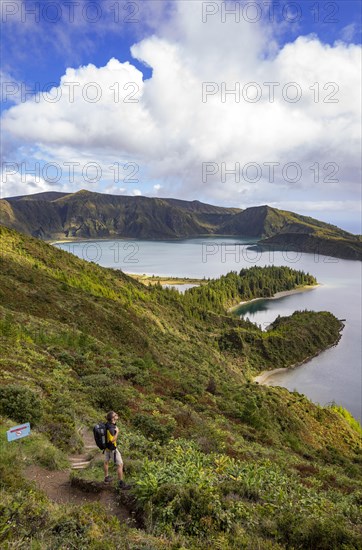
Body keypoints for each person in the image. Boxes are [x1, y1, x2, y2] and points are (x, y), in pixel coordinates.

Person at [104, 411, 130, 489]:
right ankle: (121, 483)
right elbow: (112, 440)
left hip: (106, 447)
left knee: (106, 462)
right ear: (112, 418)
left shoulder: (107, 425)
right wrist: (117, 432)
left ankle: (106, 477)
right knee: (120, 464)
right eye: (115, 415)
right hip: (112, 449)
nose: (117, 415)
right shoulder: (111, 428)